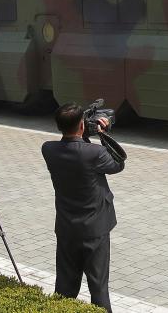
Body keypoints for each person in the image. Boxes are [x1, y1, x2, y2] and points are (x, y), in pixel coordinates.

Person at [42, 104, 125, 312]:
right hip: (94, 231)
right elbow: (118, 164)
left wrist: (83, 134)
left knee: (64, 287)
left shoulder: (48, 149)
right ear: (81, 125)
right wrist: (101, 133)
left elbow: (79, 151)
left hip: (66, 229)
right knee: (98, 288)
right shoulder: (95, 152)